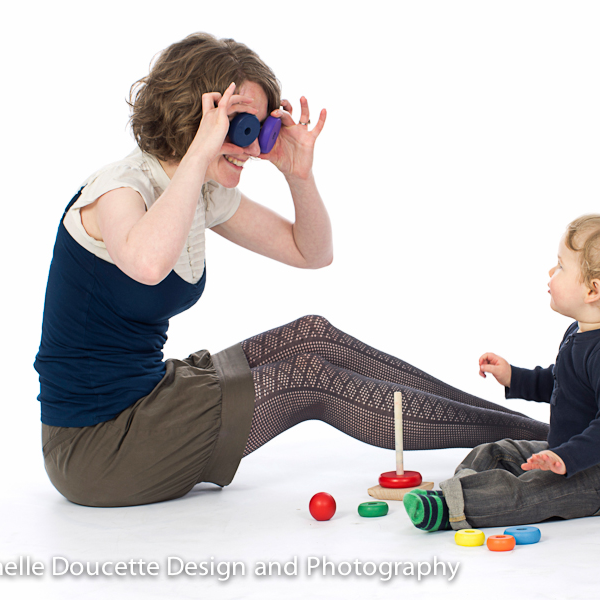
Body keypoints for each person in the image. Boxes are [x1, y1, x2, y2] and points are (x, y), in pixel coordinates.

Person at [35, 32, 550, 508]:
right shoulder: (118, 189)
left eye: (260, 129)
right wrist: (203, 149)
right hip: (96, 445)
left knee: (313, 334)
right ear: (196, 116)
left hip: (150, 399)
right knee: (309, 379)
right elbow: (148, 264)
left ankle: (543, 431)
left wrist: (298, 175)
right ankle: (549, 439)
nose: (252, 146)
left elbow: (312, 252)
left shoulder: (201, 192)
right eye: (240, 125)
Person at [404, 214, 600, 531]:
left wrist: (568, 458)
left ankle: (455, 507)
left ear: (593, 290)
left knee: (537, 490)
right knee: (495, 452)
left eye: (561, 266)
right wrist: (513, 377)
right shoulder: (580, 331)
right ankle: (467, 492)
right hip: (570, 452)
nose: (551, 272)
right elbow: (563, 382)